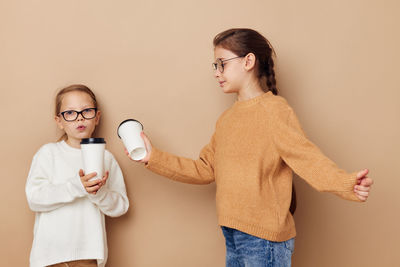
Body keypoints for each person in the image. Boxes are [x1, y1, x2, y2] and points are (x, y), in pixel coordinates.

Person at [127, 28, 373, 267]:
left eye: (222, 63)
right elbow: (204, 169)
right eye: (215, 65)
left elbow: (307, 158)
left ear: (248, 61)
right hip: (232, 233)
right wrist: (153, 157)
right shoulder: (227, 120)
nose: (217, 72)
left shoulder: (275, 110)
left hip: (264, 240)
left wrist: (346, 183)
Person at [26, 84, 129, 267]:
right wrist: (77, 186)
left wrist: (99, 193)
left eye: (86, 111)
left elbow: (121, 206)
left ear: (97, 117)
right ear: (59, 121)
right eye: (70, 113)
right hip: (49, 257)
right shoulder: (48, 153)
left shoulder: (106, 158)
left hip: (87, 256)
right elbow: (34, 198)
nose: (79, 118)